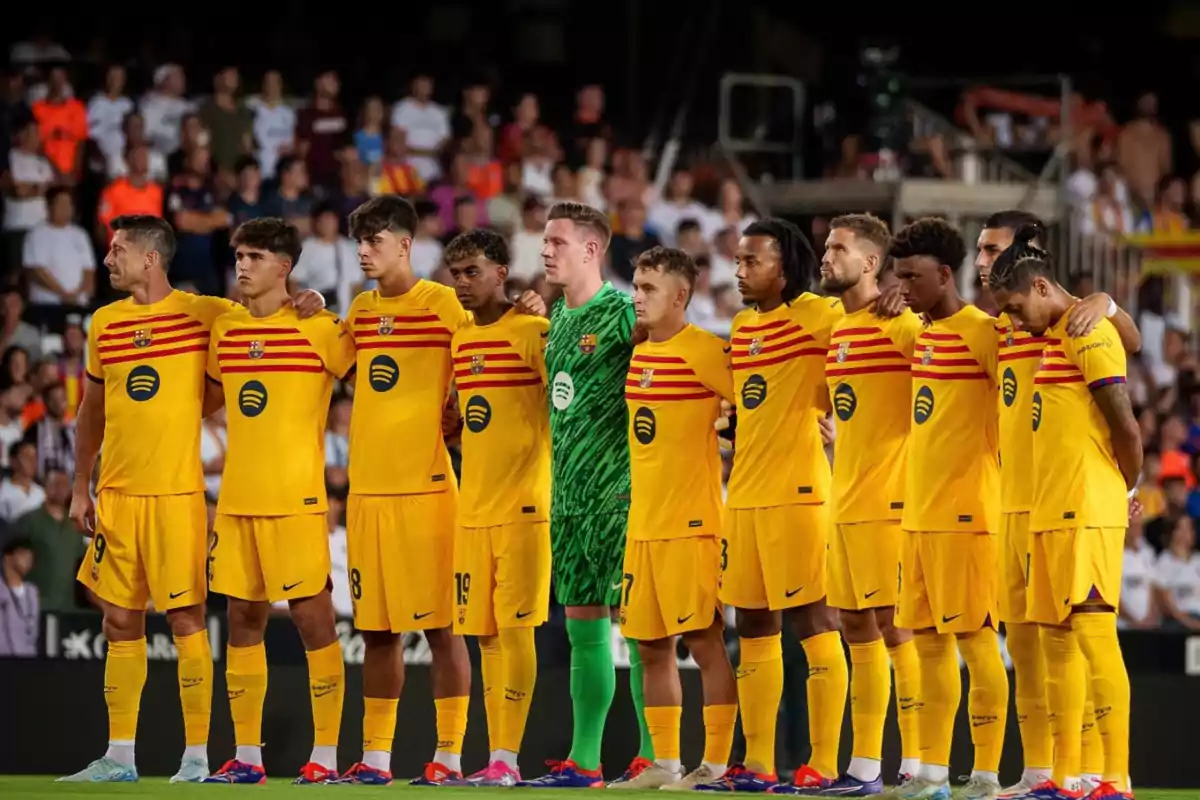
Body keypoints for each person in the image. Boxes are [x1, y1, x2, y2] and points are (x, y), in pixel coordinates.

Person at [59, 215, 322, 784]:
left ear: (151, 258)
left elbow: (268, 316)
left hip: (177, 495)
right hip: (118, 495)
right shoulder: (103, 322)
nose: (108, 260)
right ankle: (120, 756)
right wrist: (82, 484)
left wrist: (313, 299)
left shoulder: (205, 313)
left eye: (118, 250)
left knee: (186, 621)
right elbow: (91, 411)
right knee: (118, 620)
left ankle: (197, 756)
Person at [974, 210, 1142, 799]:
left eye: (992, 251)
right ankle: (1059, 777)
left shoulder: (1083, 326)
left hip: (1081, 504)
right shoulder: (1032, 333)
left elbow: (1126, 424)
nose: (983, 263)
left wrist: (1124, 489)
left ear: (1034, 272)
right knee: (1047, 642)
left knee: (1092, 635)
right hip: (1035, 505)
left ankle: (1112, 777)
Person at [201, 218, 356, 785]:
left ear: (284, 267)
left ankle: (327, 755)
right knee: (243, 619)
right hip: (238, 499)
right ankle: (247, 756)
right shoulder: (227, 327)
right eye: (239, 255)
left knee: (314, 620)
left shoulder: (319, 327)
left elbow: (376, 376)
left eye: (256, 256)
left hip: (297, 499)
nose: (242, 265)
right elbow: (209, 396)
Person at [696, 218, 846, 794]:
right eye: (737, 261)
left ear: (784, 269)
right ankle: (756, 764)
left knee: (815, 621)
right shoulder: (741, 325)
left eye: (751, 261)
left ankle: (825, 764)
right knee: (753, 624)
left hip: (801, 494)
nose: (739, 271)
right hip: (748, 495)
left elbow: (856, 355)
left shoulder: (819, 315)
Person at [335, 195, 473, 786]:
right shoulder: (360, 310)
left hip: (426, 489)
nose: (365, 251)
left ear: (406, 244)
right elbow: (328, 360)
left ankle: (448, 756)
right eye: (359, 242)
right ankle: (377, 758)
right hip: (367, 493)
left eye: (375, 240)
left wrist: (461, 411)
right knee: (378, 632)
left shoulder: (442, 303)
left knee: (441, 627)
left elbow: (482, 364)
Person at [516, 201, 654, 789]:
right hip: (566, 497)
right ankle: (586, 761)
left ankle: (655, 754)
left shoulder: (625, 312)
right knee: (582, 628)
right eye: (545, 242)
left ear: (592, 249)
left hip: (621, 495)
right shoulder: (557, 321)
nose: (546, 250)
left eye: (557, 242)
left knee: (645, 631)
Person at [888, 218, 1010, 800]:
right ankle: (933, 774)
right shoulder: (922, 332)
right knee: (930, 646)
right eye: (897, 276)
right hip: (917, 514)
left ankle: (985, 773)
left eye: (912, 277)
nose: (902, 287)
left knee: (977, 640)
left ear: (943, 274)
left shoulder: (985, 333)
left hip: (968, 514)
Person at [609, 246, 738, 790]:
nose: (637, 297)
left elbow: (758, 409)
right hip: (643, 524)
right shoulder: (639, 352)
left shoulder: (706, 351)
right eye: (636, 287)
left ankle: (714, 763)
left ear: (681, 296)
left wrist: (734, 428)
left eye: (649, 289)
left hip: (692, 524)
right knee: (651, 646)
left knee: (705, 643)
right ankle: (664, 761)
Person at [819, 213, 923, 793]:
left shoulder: (904, 325)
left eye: (839, 249)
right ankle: (862, 768)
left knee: (894, 627)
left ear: (871, 264)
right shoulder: (835, 323)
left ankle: (914, 762)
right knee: (855, 625)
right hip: (845, 500)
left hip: (891, 502)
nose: (826, 256)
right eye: (826, 247)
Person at [443, 228, 552, 786]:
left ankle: (508, 758)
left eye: (473, 273)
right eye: (456, 274)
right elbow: (467, 420)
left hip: (524, 508)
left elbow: (567, 408)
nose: (462, 284)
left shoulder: (535, 332)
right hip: (473, 508)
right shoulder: (461, 340)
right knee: (484, 636)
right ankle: (494, 757)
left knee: (516, 633)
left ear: (502, 274)